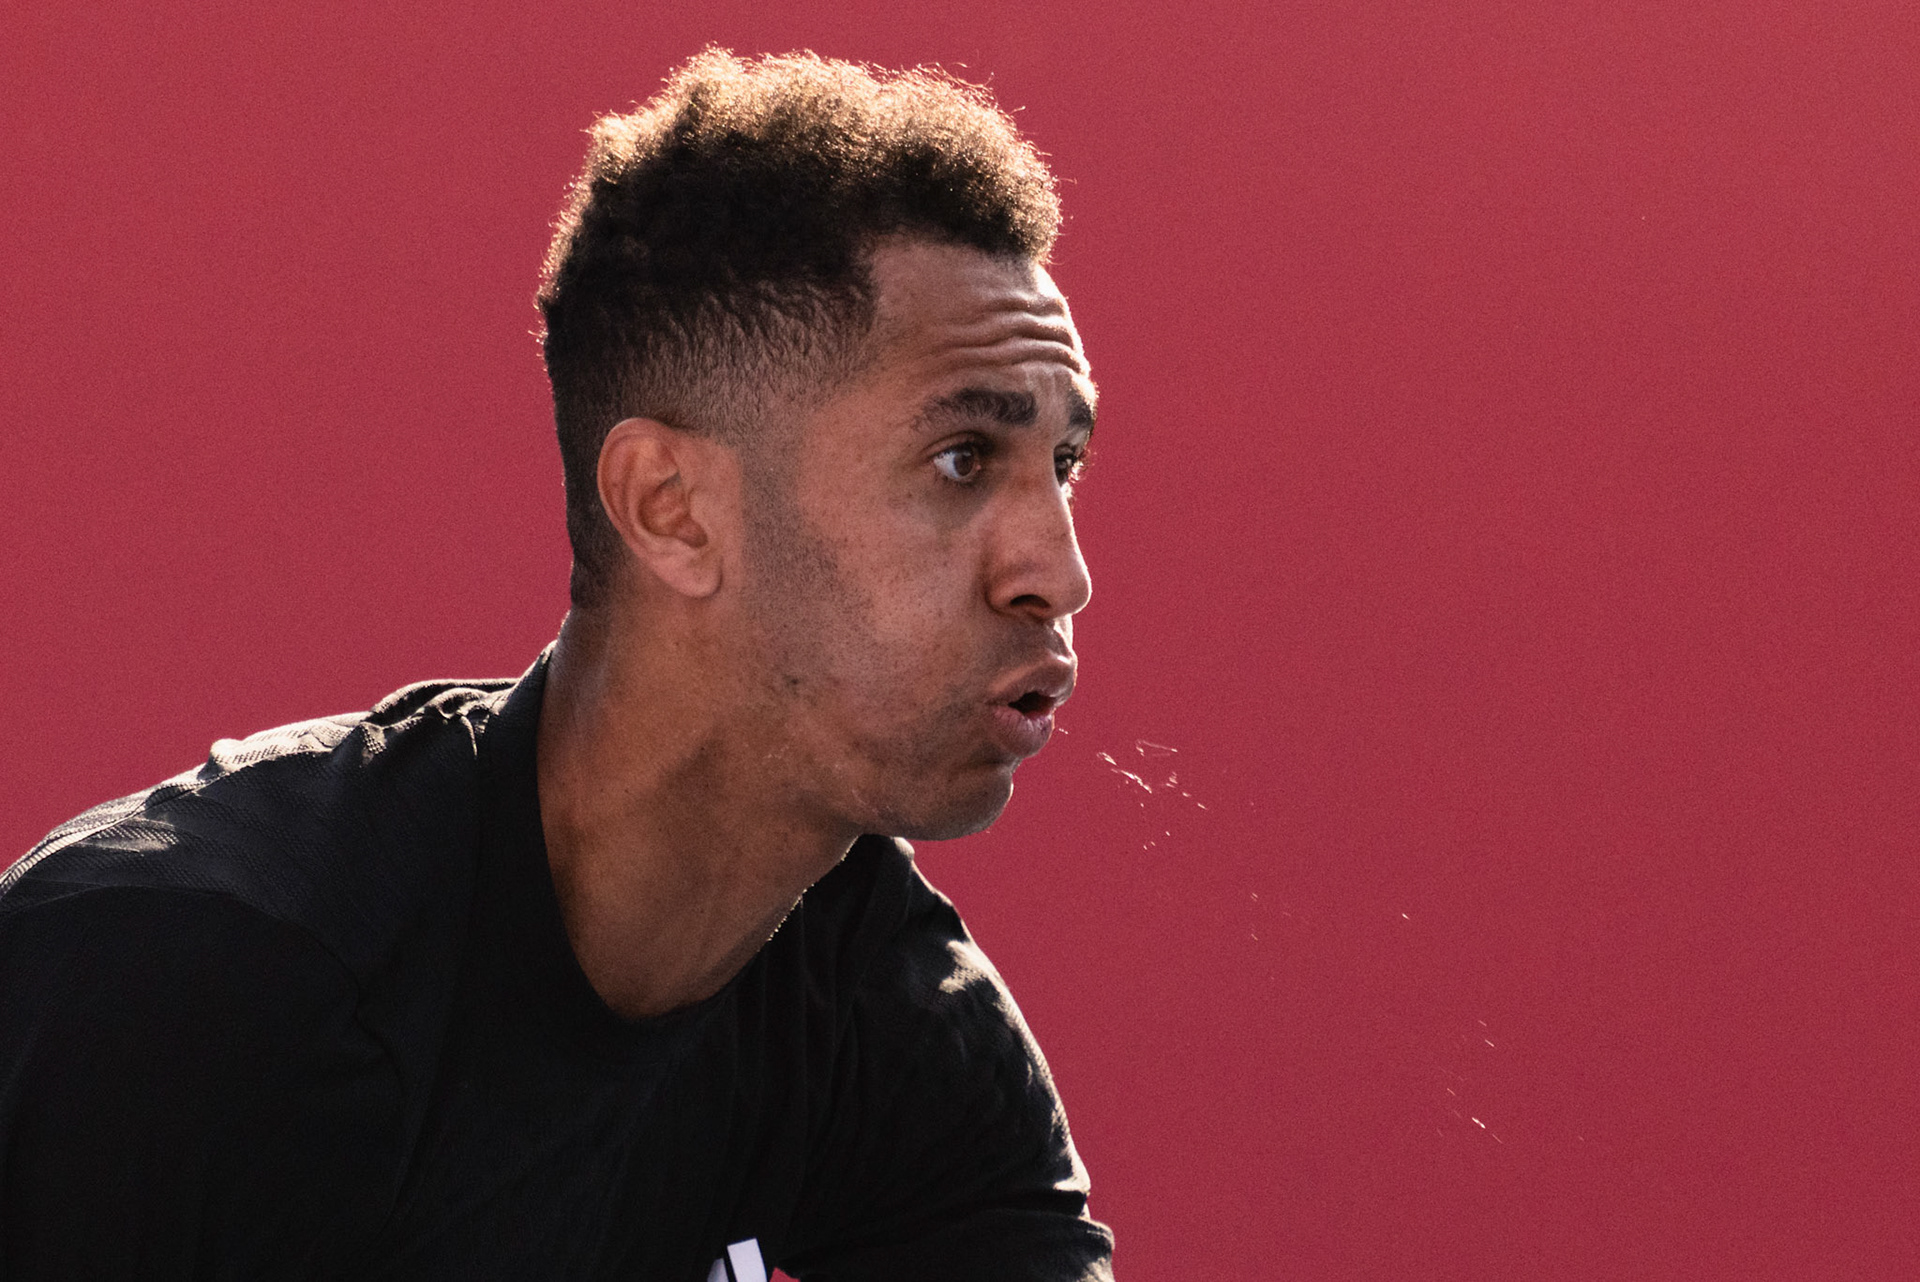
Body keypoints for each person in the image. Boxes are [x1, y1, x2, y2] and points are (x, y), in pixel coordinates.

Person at [0, 50, 1114, 1281]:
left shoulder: (868, 1004)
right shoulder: (193, 989)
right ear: (673, 509)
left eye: (1062, 465)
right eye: (963, 459)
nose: (1057, 574)